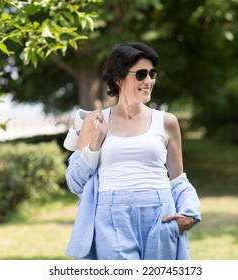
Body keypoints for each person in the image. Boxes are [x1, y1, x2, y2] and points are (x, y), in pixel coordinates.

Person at [64, 41, 201, 260]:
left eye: (152, 74)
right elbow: (75, 182)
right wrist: (95, 144)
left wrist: (190, 215)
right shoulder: (95, 121)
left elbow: (178, 181)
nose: (149, 81)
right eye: (141, 74)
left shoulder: (167, 122)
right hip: (112, 217)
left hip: (160, 215)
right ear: (118, 79)